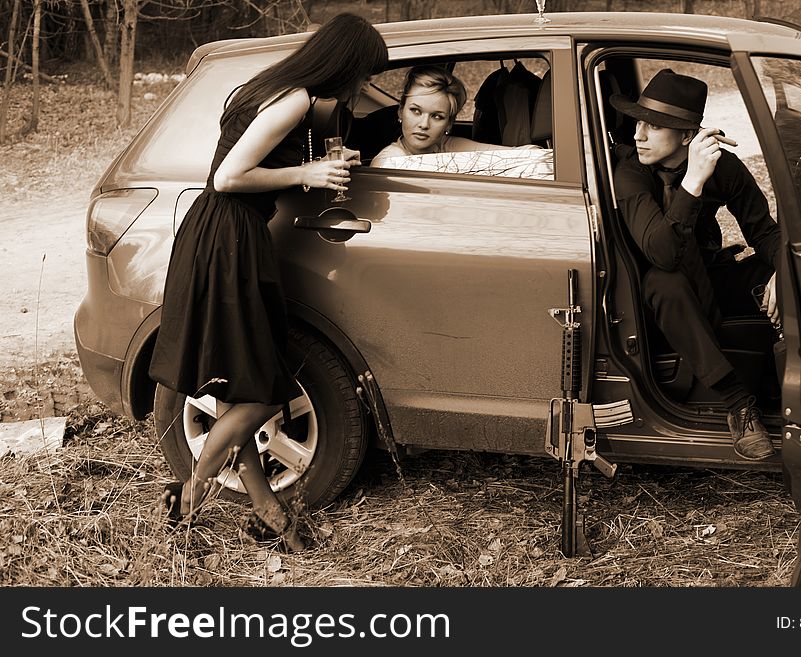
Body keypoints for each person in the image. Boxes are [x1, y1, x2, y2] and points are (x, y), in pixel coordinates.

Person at [148, 13, 388, 549]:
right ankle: (188, 495)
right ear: (345, 64)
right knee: (260, 391)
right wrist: (308, 174)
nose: (359, 88)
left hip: (220, 234)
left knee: (241, 386)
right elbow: (229, 176)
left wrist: (323, 161)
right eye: (361, 75)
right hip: (230, 240)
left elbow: (255, 157)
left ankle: (266, 510)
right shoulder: (296, 98)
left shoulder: (270, 85)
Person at [610, 68, 781, 461]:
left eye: (653, 127)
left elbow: (764, 232)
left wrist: (784, 274)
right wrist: (693, 183)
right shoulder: (631, 173)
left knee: (773, 271)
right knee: (664, 281)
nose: (638, 135)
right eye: (639, 123)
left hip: (708, 275)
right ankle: (738, 403)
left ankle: (792, 380)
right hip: (655, 296)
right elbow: (662, 253)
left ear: (687, 136)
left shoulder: (724, 167)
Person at [370, 65, 539, 167]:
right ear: (400, 111)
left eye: (437, 116)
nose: (423, 124)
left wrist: (539, 155)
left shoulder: (445, 146)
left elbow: (515, 155)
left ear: (449, 124)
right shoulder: (390, 161)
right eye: (416, 111)